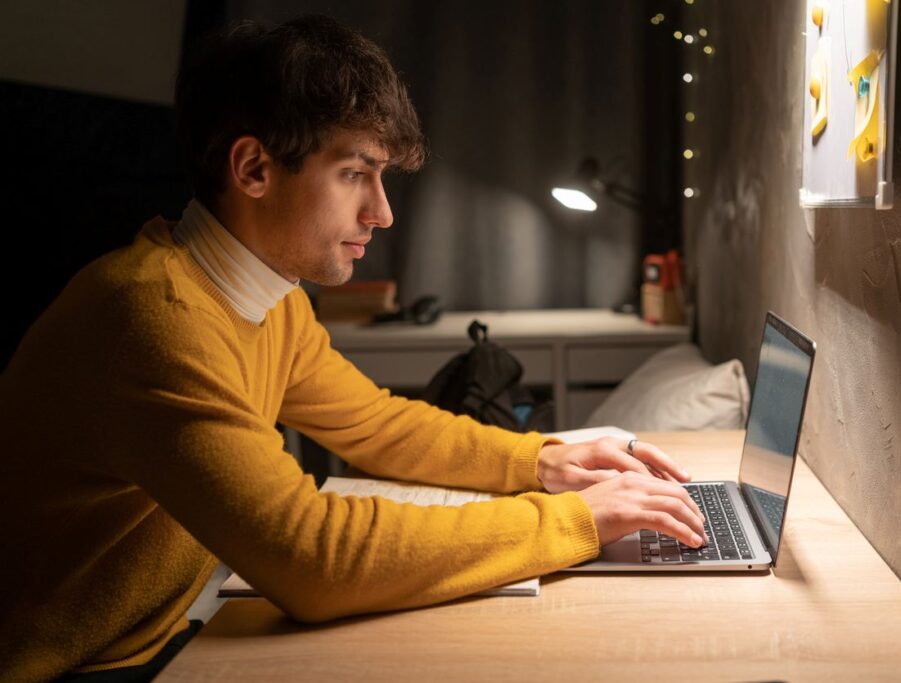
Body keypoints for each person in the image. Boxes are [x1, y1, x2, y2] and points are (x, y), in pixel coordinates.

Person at [0, 15, 706, 681]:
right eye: (354, 173)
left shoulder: (262, 294)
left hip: (166, 634)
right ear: (253, 170)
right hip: (81, 667)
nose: (382, 211)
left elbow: (377, 425)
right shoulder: (154, 317)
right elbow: (313, 558)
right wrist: (576, 521)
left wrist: (545, 460)